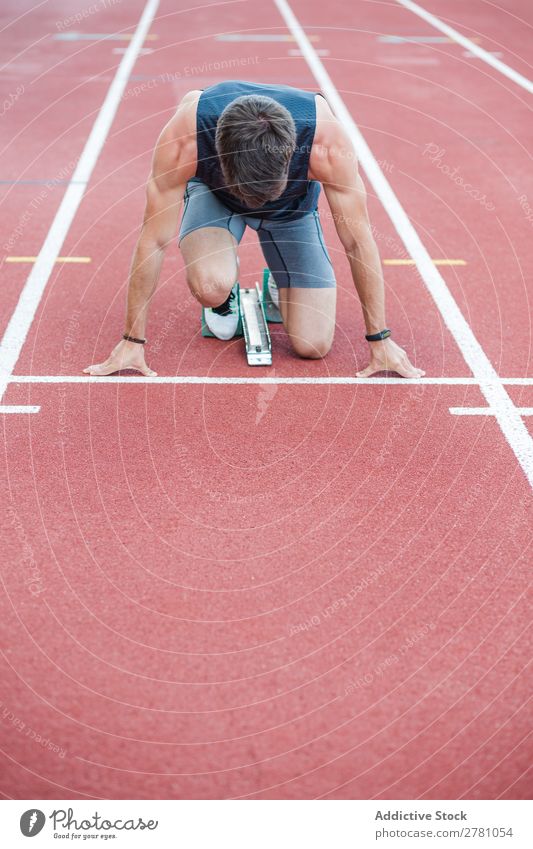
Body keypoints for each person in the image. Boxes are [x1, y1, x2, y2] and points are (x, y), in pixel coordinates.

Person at [84, 80, 424, 378]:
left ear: (292, 154)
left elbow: (357, 241)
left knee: (313, 345)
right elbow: (154, 240)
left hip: (290, 209)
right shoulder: (187, 137)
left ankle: (278, 284)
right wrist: (132, 341)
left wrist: (380, 339)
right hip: (216, 196)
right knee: (211, 285)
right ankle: (223, 298)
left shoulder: (325, 144)